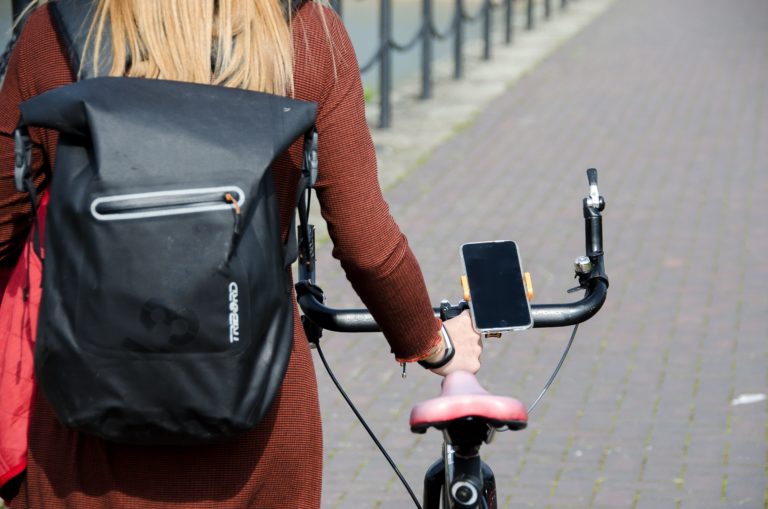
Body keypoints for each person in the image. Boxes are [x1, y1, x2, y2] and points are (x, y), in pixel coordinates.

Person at [0, 1, 482, 507]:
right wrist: (434, 345)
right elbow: (367, 245)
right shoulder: (307, 30)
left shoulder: (53, 28)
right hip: (257, 417)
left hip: (85, 422)